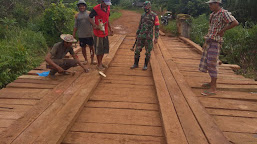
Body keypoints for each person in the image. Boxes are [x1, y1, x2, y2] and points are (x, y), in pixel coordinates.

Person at [199, 0, 239, 96]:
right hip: (210, 40)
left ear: (217, 4)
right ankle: (211, 82)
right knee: (208, 62)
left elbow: (235, 22)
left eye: (211, 4)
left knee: (212, 63)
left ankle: (213, 88)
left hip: (216, 41)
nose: (210, 6)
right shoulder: (213, 14)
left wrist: (223, 30)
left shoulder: (223, 13)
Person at [130, 1, 160, 70]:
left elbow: (157, 28)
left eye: (145, 7)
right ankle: (135, 64)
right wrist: (137, 33)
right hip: (141, 36)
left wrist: (156, 37)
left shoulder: (154, 16)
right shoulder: (143, 15)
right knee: (137, 50)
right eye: (144, 7)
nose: (144, 8)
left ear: (149, 7)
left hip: (148, 37)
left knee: (148, 52)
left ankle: (145, 65)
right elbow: (140, 25)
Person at [89, 0, 113, 71]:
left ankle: (100, 62)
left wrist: (110, 28)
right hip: (98, 32)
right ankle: (99, 64)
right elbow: (89, 17)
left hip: (105, 32)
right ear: (102, 2)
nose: (107, 5)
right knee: (99, 49)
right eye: (105, 4)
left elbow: (107, 19)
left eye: (108, 4)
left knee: (104, 48)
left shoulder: (108, 8)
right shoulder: (96, 9)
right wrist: (94, 25)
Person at [73, 0, 97, 65]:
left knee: (91, 47)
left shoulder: (89, 14)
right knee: (83, 48)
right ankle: (86, 59)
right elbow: (75, 25)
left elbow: (93, 24)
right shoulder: (77, 15)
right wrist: (74, 34)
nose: (81, 7)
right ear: (78, 7)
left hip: (89, 34)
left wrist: (94, 32)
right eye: (80, 6)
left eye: (82, 6)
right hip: (81, 35)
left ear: (85, 6)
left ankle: (92, 60)